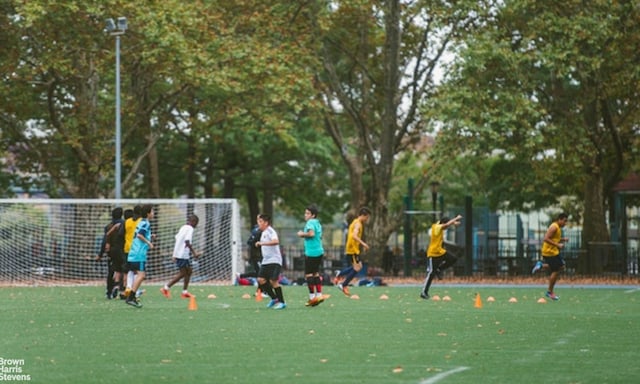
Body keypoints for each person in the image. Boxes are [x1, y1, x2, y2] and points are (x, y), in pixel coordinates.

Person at [420, 215, 462, 300]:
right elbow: (445, 225)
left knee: (453, 259)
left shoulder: (439, 225)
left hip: (440, 251)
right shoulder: (436, 227)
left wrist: (453, 223)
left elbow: (445, 224)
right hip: (433, 253)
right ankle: (424, 292)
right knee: (431, 273)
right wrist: (455, 219)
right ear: (442, 223)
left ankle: (439, 269)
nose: (446, 229)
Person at [161, 214, 201, 299]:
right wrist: (194, 253)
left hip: (180, 253)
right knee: (183, 273)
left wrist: (174, 254)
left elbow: (177, 239)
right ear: (193, 222)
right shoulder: (190, 229)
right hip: (182, 254)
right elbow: (187, 241)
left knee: (189, 271)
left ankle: (184, 292)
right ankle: (166, 288)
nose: (196, 225)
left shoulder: (183, 227)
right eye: (196, 223)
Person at [532, 213, 569, 301]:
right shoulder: (554, 227)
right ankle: (549, 292)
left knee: (561, 266)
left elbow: (554, 238)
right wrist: (558, 245)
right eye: (564, 221)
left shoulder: (558, 228)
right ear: (559, 219)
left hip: (553, 252)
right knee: (556, 269)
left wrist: (563, 240)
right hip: (549, 252)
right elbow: (546, 238)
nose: (565, 223)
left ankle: (541, 265)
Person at [335, 207, 372, 296]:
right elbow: (354, 236)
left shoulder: (355, 222)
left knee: (358, 267)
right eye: (367, 217)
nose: (367, 219)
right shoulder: (358, 224)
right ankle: (343, 284)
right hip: (352, 250)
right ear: (363, 215)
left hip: (353, 249)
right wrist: (364, 244)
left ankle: (340, 275)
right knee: (357, 268)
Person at [125, 204, 155, 308]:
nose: (153, 213)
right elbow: (139, 235)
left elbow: (139, 234)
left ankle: (132, 295)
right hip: (139, 254)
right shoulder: (145, 223)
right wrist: (149, 243)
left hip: (133, 252)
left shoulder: (141, 222)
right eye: (152, 211)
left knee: (138, 275)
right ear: (148, 213)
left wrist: (150, 236)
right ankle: (131, 297)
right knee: (141, 275)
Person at [255, 213, 287, 310]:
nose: (258, 223)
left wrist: (262, 243)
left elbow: (276, 241)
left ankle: (282, 302)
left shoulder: (270, 231)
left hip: (274, 260)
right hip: (266, 261)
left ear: (266, 223)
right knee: (261, 280)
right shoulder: (263, 233)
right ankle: (274, 298)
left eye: (260, 221)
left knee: (273, 281)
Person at [297, 204, 325, 307]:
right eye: (305, 213)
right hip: (319, 251)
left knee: (308, 274)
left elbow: (311, 234)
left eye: (308, 213)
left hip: (311, 252)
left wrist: (301, 234)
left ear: (313, 215)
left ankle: (312, 297)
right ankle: (319, 294)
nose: (305, 215)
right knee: (315, 273)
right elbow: (319, 236)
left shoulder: (310, 222)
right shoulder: (318, 223)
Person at [96, 207, 124, 299]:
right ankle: (121, 289)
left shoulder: (109, 226)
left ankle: (109, 291)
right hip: (123, 251)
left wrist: (100, 254)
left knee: (111, 271)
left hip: (112, 252)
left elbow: (105, 241)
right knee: (123, 271)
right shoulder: (124, 224)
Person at [121, 205, 142, 300]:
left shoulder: (127, 221)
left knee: (130, 269)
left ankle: (128, 287)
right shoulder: (142, 221)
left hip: (127, 248)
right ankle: (135, 291)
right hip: (137, 249)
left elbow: (121, 233)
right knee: (138, 271)